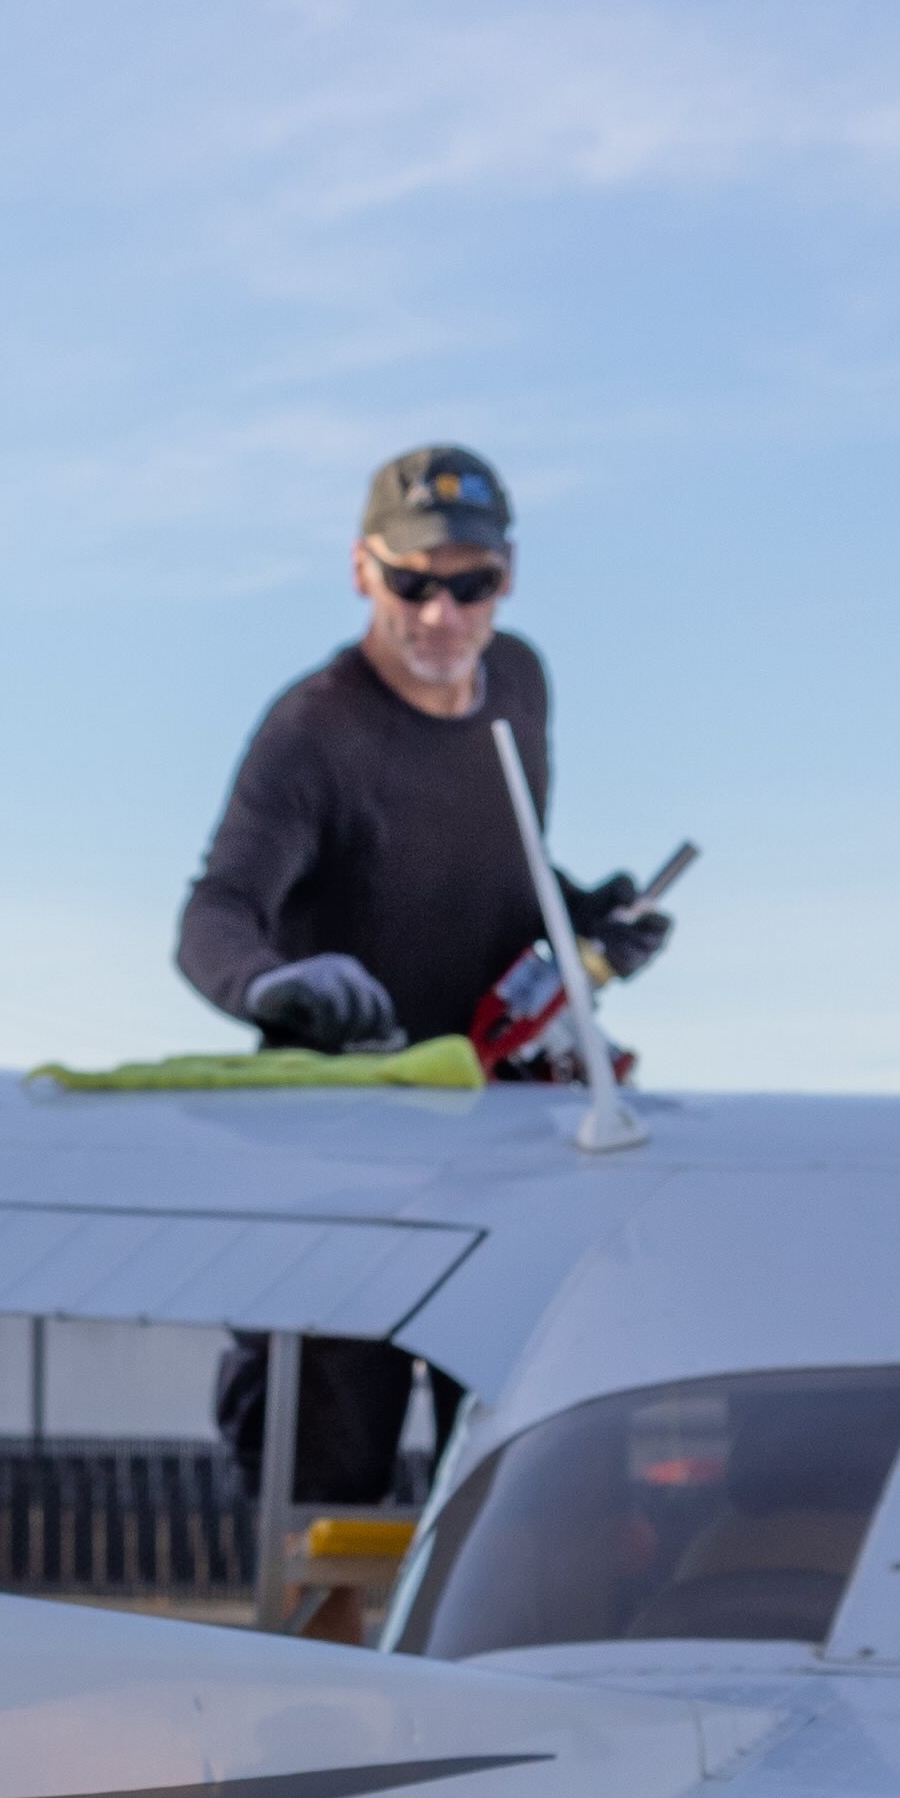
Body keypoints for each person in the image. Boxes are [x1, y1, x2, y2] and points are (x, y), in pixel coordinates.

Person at [176, 443, 675, 1513]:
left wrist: (589, 923)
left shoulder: (522, 688)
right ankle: (314, 1681)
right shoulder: (316, 730)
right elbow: (213, 917)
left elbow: (492, 868)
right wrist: (274, 985)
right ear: (363, 570)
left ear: (509, 579)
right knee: (322, 1493)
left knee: (513, 1487)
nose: (442, 615)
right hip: (348, 1171)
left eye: (470, 585)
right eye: (413, 583)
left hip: (500, 1151)